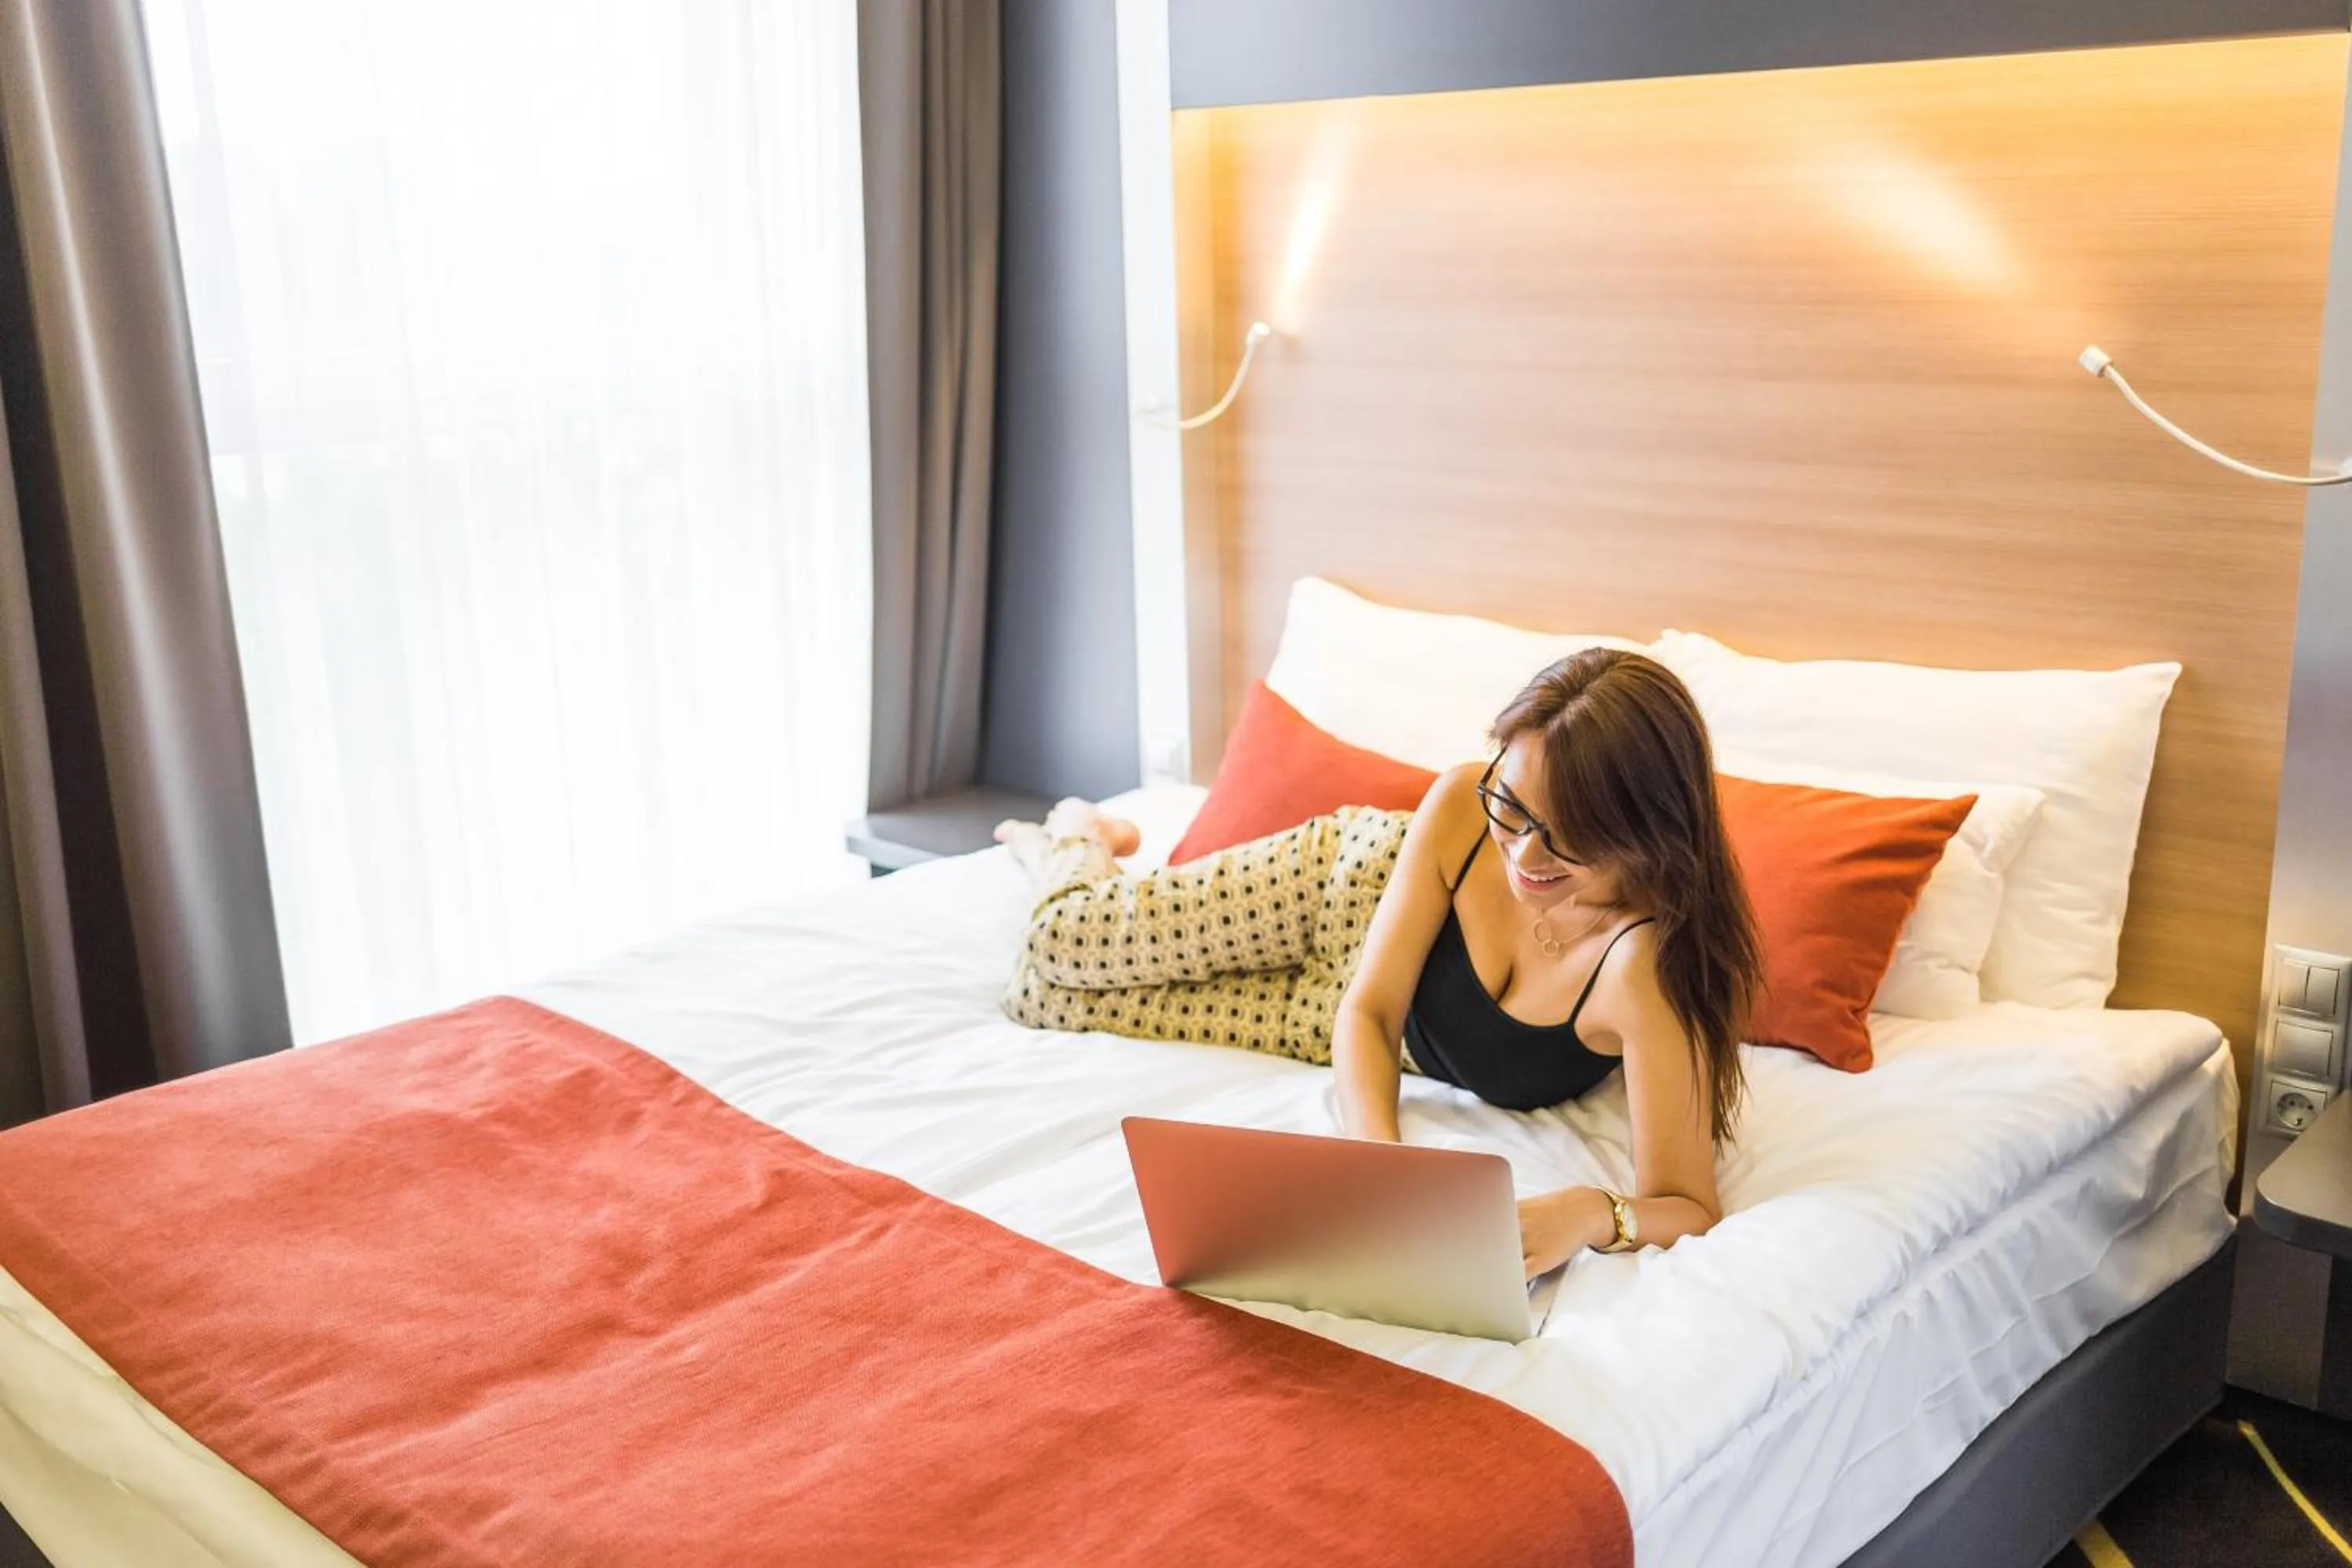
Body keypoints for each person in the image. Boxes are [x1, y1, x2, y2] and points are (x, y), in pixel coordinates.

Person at [996, 648, 1762, 1277]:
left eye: (1570, 836)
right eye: (1513, 807)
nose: (1525, 857)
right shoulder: (1462, 803)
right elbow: (1370, 1007)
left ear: (1645, 831)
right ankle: (1080, 832)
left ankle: (1079, 852)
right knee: (1064, 939)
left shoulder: (1641, 967)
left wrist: (1593, 1211)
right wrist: (1380, 1164)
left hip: (1317, 1021)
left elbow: (1687, 1204)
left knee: (1046, 1000)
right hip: (1340, 887)